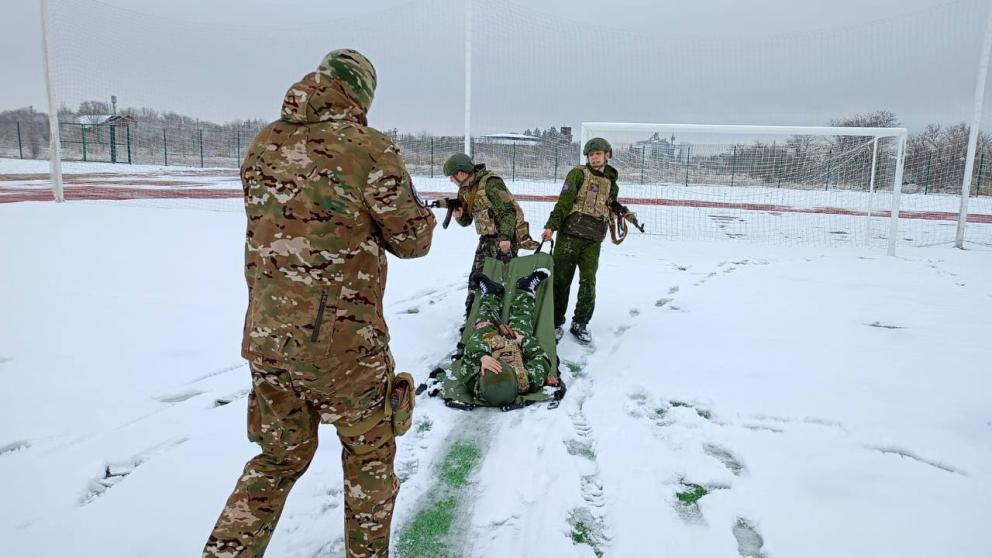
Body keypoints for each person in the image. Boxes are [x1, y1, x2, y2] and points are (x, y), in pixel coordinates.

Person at [203, 49, 435, 558]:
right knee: (369, 459)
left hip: (267, 340)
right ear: (362, 95)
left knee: (277, 461)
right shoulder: (370, 148)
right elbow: (414, 241)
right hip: (343, 347)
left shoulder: (263, 142)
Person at [541, 137, 620, 345]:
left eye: (598, 154)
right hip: (569, 236)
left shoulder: (612, 181)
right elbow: (564, 202)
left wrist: (619, 210)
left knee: (588, 282)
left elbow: (608, 203)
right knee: (560, 281)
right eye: (591, 154)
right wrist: (551, 226)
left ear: (607, 155)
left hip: (593, 240)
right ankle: (556, 322)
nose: (594, 158)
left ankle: (580, 323)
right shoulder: (577, 174)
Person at [442, 153, 537, 317]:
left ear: (461, 173)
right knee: (477, 277)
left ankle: (507, 315)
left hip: (505, 239)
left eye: (452, 176)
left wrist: (506, 238)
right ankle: (472, 315)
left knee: (505, 278)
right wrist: (459, 216)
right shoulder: (465, 190)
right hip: (487, 239)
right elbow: (467, 221)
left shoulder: (491, 184)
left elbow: (509, 212)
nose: (451, 180)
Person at [461, 268, 559, 405]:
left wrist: (481, 356)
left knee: (483, 327)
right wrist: (523, 340)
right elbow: (542, 358)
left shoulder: (472, 381)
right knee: (522, 323)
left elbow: (470, 349)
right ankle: (525, 290)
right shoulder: (526, 380)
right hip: (516, 346)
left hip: (489, 343)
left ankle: (491, 293)